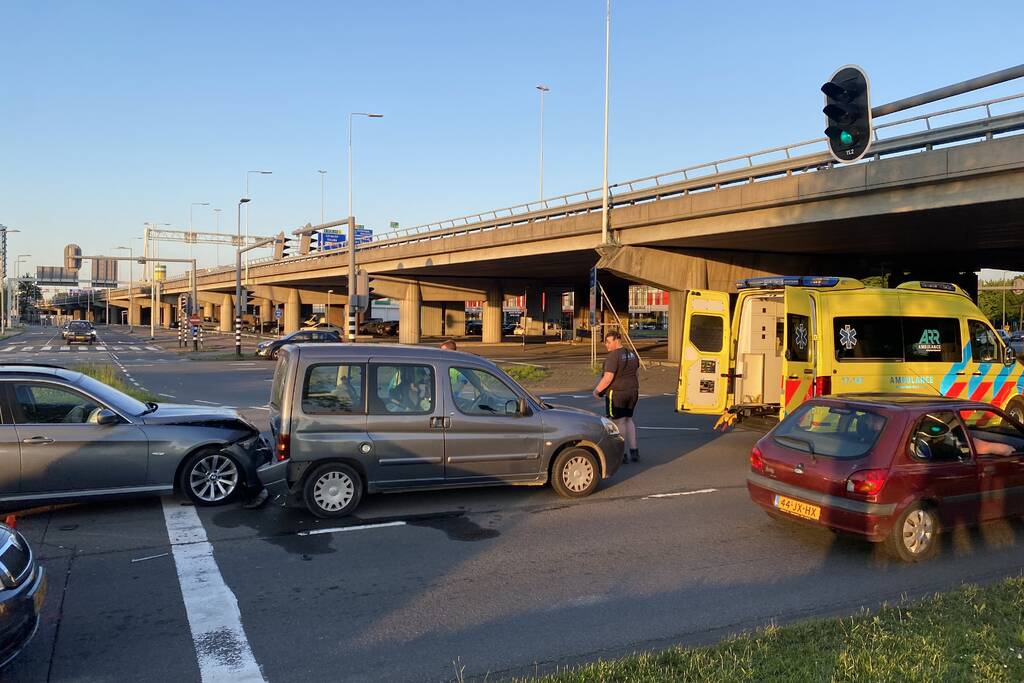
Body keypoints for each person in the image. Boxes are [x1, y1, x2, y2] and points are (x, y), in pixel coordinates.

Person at [593, 330, 640, 463]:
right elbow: (636, 374)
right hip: (633, 391)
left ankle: (622, 454)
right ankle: (634, 451)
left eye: (608, 342)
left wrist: (596, 391)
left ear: (616, 340)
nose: (606, 345)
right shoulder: (632, 353)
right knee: (628, 420)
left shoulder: (613, 356)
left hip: (618, 393)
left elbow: (608, 378)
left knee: (619, 422)